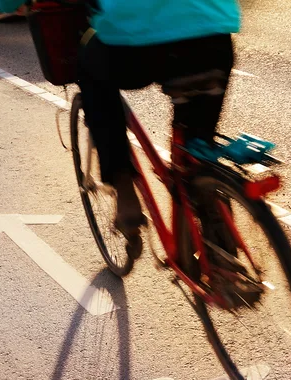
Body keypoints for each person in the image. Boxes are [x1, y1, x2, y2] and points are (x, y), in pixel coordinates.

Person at [77, 0, 240, 260]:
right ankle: (209, 207)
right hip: (213, 35)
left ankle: (124, 189)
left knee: (90, 69)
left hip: (136, 48)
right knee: (197, 145)